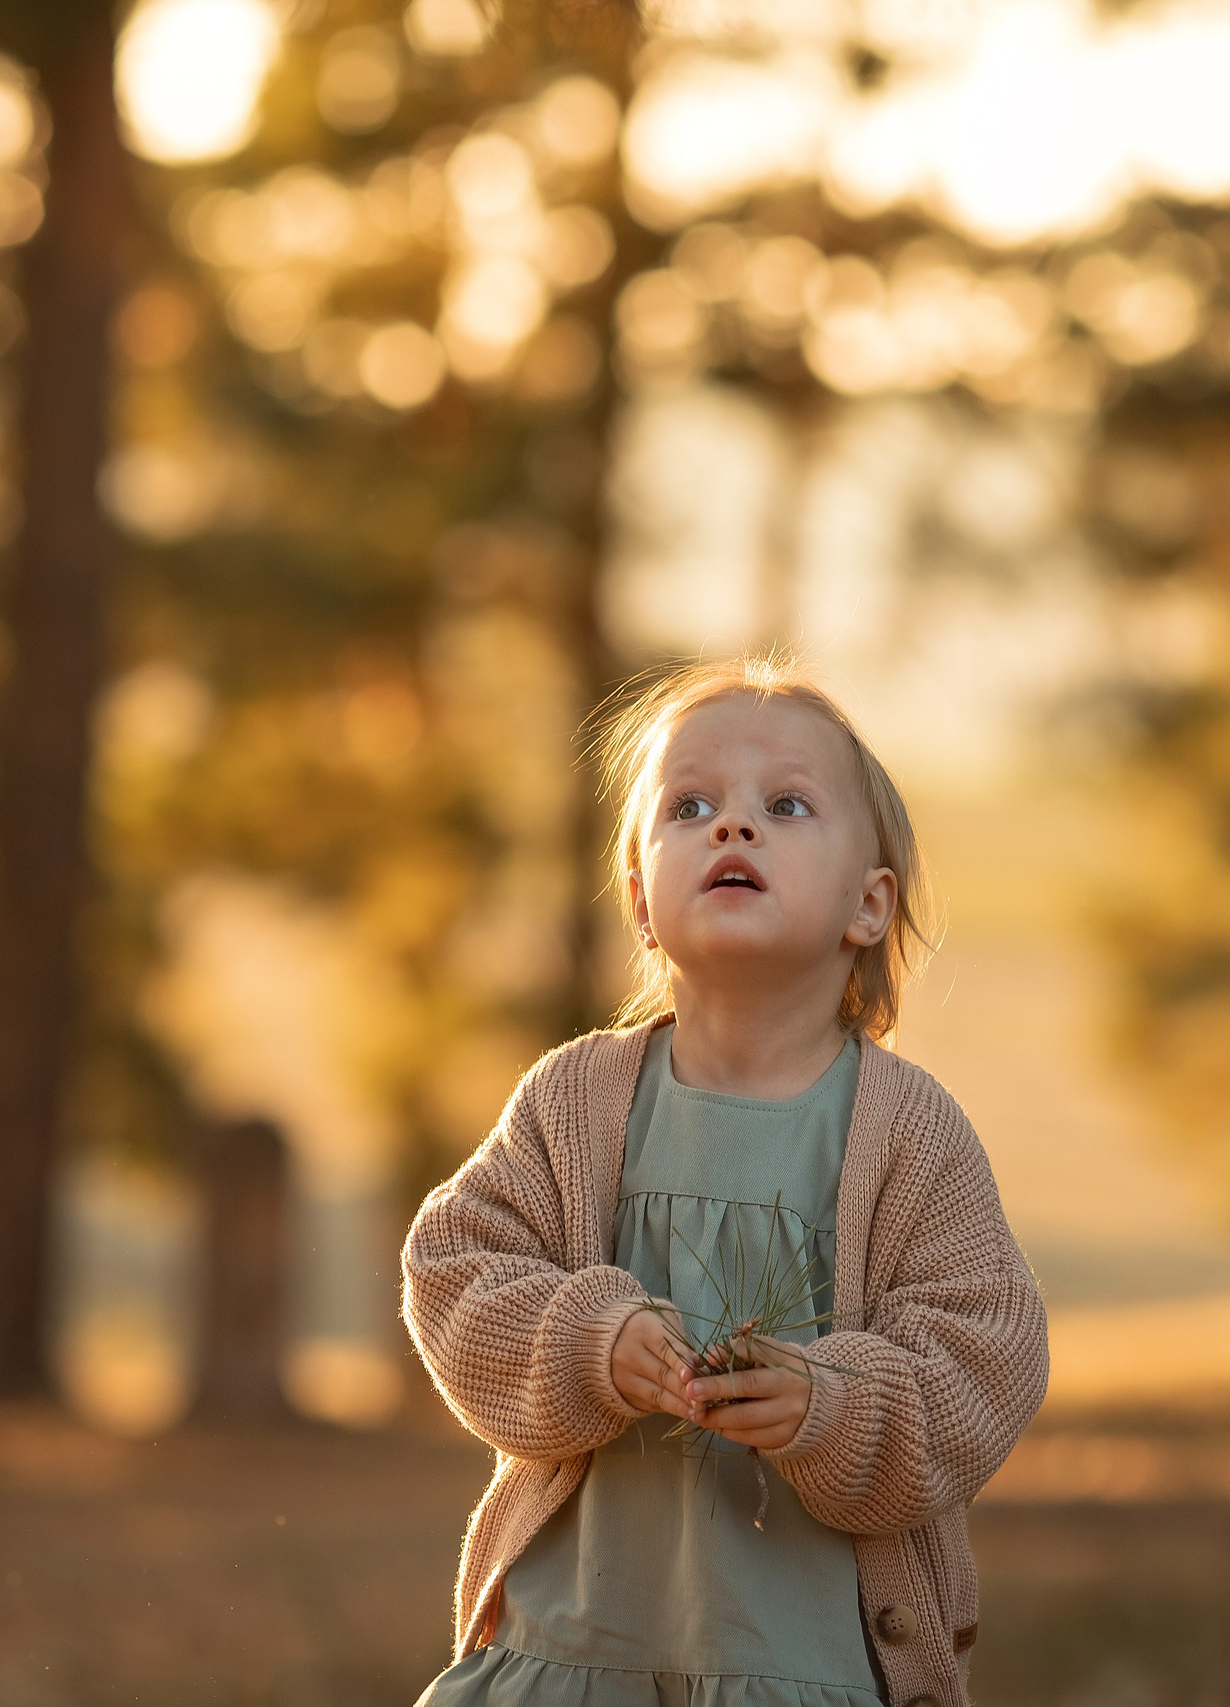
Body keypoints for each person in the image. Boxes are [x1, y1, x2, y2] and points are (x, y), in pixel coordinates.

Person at [403, 654, 1049, 1707]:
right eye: (689, 805)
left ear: (869, 905)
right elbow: (454, 1272)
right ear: (639, 902)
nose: (731, 828)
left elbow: (984, 1361)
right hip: (573, 1656)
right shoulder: (576, 1100)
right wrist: (589, 1338)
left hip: (798, 1668)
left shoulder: (909, 1136)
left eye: (784, 806)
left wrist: (830, 1403)